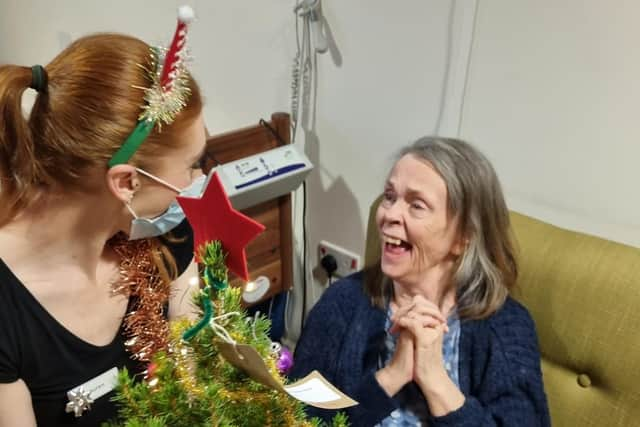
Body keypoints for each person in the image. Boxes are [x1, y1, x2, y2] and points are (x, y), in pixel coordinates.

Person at [0, 29, 207, 426]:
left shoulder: (165, 241)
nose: (198, 181)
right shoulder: (8, 311)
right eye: (192, 165)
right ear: (127, 182)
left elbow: (192, 389)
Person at [291, 137, 551, 426]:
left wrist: (435, 379)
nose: (389, 214)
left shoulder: (506, 325)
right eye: (389, 197)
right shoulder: (342, 303)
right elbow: (294, 417)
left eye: (417, 205)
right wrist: (391, 376)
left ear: (463, 236)